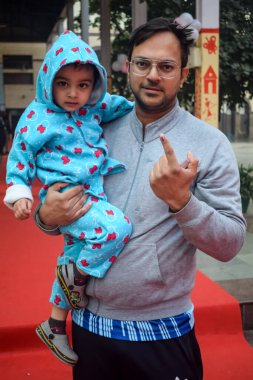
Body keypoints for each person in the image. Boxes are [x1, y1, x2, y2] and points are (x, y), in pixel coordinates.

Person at [34, 17, 246, 380]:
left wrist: (183, 203)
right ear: (127, 67)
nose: (152, 75)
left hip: (162, 332)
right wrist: (46, 216)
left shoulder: (210, 144)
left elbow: (230, 243)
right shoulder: (92, 129)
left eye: (166, 67)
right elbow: (59, 199)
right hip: (88, 326)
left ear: (183, 75)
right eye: (143, 64)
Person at [4, 30, 133, 366]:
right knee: (117, 227)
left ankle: (55, 324)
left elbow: (123, 105)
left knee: (72, 254)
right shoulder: (37, 116)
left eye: (83, 84)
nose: (74, 93)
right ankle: (78, 274)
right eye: (63, 83)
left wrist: (143, 107)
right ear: (49, 80)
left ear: (94, 85)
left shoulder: (94, 107)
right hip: (67, 196)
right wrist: (18, 192)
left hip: (94, 190)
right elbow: (20, 156)